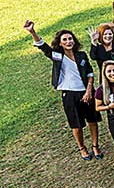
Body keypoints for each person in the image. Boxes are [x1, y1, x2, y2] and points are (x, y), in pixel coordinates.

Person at [24, 20, 103, 161]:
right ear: (60, 43)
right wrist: (32, 32)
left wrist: (89, 89)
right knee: (76, 124)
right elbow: (43, 47)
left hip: (86, 92)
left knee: (92, 120)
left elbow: (90, 72)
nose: (68, 41)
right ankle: (82, 148)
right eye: (65, 40)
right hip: (69, 95)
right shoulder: (57, 56)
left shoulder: (81, 55)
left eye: (70, 39)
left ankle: (95, 145)